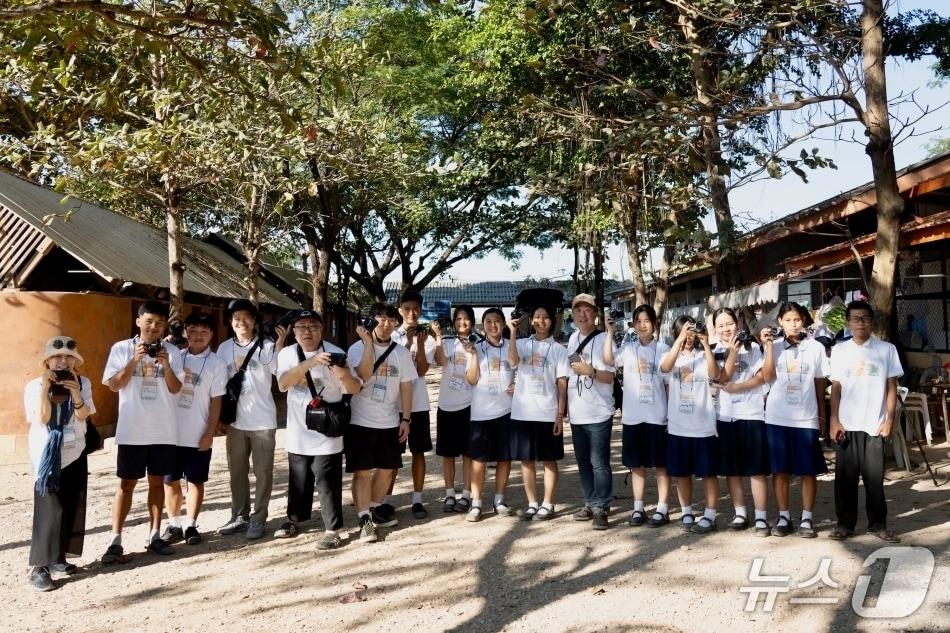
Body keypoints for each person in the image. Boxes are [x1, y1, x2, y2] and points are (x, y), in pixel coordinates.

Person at [101, 301, 184, 562]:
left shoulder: (172, 352)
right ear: (138, 321)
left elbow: (175, 389)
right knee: (126, 484)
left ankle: (155, 535)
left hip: (163, 430)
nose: (154, 327)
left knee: (157, 482)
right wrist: (134, 360)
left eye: (159, 323)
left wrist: (167, 365)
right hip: (132, 430)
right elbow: (114, 385)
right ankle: (115, 540)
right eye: (149, 321)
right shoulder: (122, 349)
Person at [276, 310, 362, 550]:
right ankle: (295, 519)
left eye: (312, 326)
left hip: (327, 430)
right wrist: (310, 362)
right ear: (293, 331)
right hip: (298, 430)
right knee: (299, 479)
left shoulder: (338, 353)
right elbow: (283, 383)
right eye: (301, 326)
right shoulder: (287, 353)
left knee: (327, 480)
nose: (307, 331)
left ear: (322, 329)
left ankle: (332, 530)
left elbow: (354, 388)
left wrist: (341, 372)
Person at [829, 300, 903, 542]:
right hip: (847, 425)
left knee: (874, 479)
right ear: (848, 323)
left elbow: (891, 388)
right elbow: (836, 388)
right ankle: (845, 524)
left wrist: (889, 419)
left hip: (874, 423)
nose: (860, 323)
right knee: (845, 479)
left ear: (872, 321)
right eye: (855, 319)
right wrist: (834, 420)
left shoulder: (886, 349)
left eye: (865, 318)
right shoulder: (840, 351)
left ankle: (878, 524)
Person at [25, 336, 96, 591]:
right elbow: (43, 417)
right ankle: (40, 567)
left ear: (75, 361)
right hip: (46, 454)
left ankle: (58, 558)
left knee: (71, 504)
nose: (62, 361)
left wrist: (76, 392)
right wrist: (45, 389)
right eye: (57, 357)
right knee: (50, 508)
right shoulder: (34, 385)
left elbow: (83, 414)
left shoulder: (82, 382)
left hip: (74, 449)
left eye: (68, 357)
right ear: (47, 361)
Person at [216, 299, 288, 540]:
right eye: (236, 318)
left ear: (255, 321)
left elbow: (280, 374)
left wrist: (279, 344)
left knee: (263, 472)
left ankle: (258, 518)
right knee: (236, 471)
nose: (241, 322)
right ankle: (239, 515)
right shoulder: (224, 348)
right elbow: (218, 383)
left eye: (246, 317)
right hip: (235, 422)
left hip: (262, 422)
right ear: (230, 322)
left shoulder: (266, 347)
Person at [346, 303, 415, 543]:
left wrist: (406, 418)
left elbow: (407, 386)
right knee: (362, 471)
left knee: (387, 470)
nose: (386, 324)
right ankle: (364, 518)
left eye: (391, 320)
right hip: (360, 420)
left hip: (389, 420)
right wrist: (367, 344)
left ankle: (374, 508)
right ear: (371, 320)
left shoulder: (401, 353)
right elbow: (363, 375)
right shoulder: (357, 348)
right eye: (381, 319)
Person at [161, 312, 227, 546]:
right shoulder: (174, 357)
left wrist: (209, 433)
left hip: (198, 431)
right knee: (170, 481)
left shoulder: (217, 363)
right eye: (193, 331)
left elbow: (216, 401)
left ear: (211, 335)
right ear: (185, 332)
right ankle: (174, 524)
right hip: (170, 432)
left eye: (204, 332)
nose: (198, 336)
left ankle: (190, 524)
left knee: (195, 481)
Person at [660, 315, 721, 534]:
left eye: (691, 332)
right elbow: (665, 368)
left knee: (708, 473)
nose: (688, 337)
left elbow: (716, 374)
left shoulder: (703, 355)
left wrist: (705, 344)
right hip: (678, 425)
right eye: (684, 331)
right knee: (682, 473)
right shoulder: (672, 356)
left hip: (703, 424)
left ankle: (710, 514)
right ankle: (686, 511)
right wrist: (678, 341)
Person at [508, 305, 570, 521]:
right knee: (526, 460)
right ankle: (532, 503)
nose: (541, 320)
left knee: (549, 460)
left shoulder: (559, 350)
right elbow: (513, 361)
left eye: (545, 317)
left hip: (547, 412)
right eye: (537, 316)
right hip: (523, 412)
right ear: (531, 321)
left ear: (552, 321)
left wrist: (560, 414)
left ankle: (548, 503)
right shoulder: (523, 344)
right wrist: (513, 332)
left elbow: (562, 384)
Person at [712, 308, 770, 534]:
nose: (726, 329)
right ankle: (740, 514)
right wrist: (732, 353)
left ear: (737, 324)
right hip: (725, 415)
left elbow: (762, 377)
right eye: (721, 325)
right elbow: (720, 378)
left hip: (751, 413)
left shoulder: (753, 347)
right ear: (715, 329)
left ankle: (762, 516)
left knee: (756, 469)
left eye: (729, 323)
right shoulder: (714, 351)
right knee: (732, 470)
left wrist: (738, 388)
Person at [615, 305, 672, 529]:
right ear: (633, 324)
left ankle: (662, 508)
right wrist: (610, 331)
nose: (642, 325)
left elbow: (668, 385)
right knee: (636, 465)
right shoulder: (627, 349)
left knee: (660, 465)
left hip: (657, 416)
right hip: (632, 416)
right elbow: (609, 360)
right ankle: (638, 507)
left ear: (654, 323)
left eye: (646, 320)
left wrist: (669, 415)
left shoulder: (665, 350)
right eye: (638, 321)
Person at [565, 294, 616, 531]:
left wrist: (591, 371)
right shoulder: (573, 338)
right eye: (578, 311)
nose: (582, 314)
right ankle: (590, 501)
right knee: (583, 461)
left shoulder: (606, 339)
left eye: (587, 310)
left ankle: (602, 507)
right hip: (577, 412)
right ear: (573, 315)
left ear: (596, 314)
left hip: (599, 412)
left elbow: (611, 376)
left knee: (599, 463)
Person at [390, 290, 438, 519]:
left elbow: (420, 371)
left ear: (421, 309)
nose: (412, 313)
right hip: (392, 405)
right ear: (399, 310)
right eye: (407, 308)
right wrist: (407, 343)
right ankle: (384, 500)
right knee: (391, 456)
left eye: (416, 308)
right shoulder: (389, 334)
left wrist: (416, 343)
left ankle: (417, 499)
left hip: (418, 404)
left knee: (418, 452)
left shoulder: (427, 338)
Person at [464, 308, 516, 521]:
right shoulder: (475, 348)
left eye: (497, 321)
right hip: (481, 413)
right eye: (488, 321)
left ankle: (499, 500)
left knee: (504, 458)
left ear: (504, 324)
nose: (493, 325)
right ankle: (476, 503)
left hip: (507, 411)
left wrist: (518, 383)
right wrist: (474, 356)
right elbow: (472, 379)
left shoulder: (512, 347)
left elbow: (520, 368)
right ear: (482, 325)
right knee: (479, 459)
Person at [432, 305, 477, 514]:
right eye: (458, 319)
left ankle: (466, 494)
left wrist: (473, 352)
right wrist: (439, 336)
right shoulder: (448, 342)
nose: (462, 322)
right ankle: (450, 493)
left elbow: (473, 378)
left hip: (469, 405)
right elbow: (441, 361)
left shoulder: (479, 344)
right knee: (447, 454)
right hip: (446, 405)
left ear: (472, 321)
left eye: (466, 319)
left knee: (468, 454)